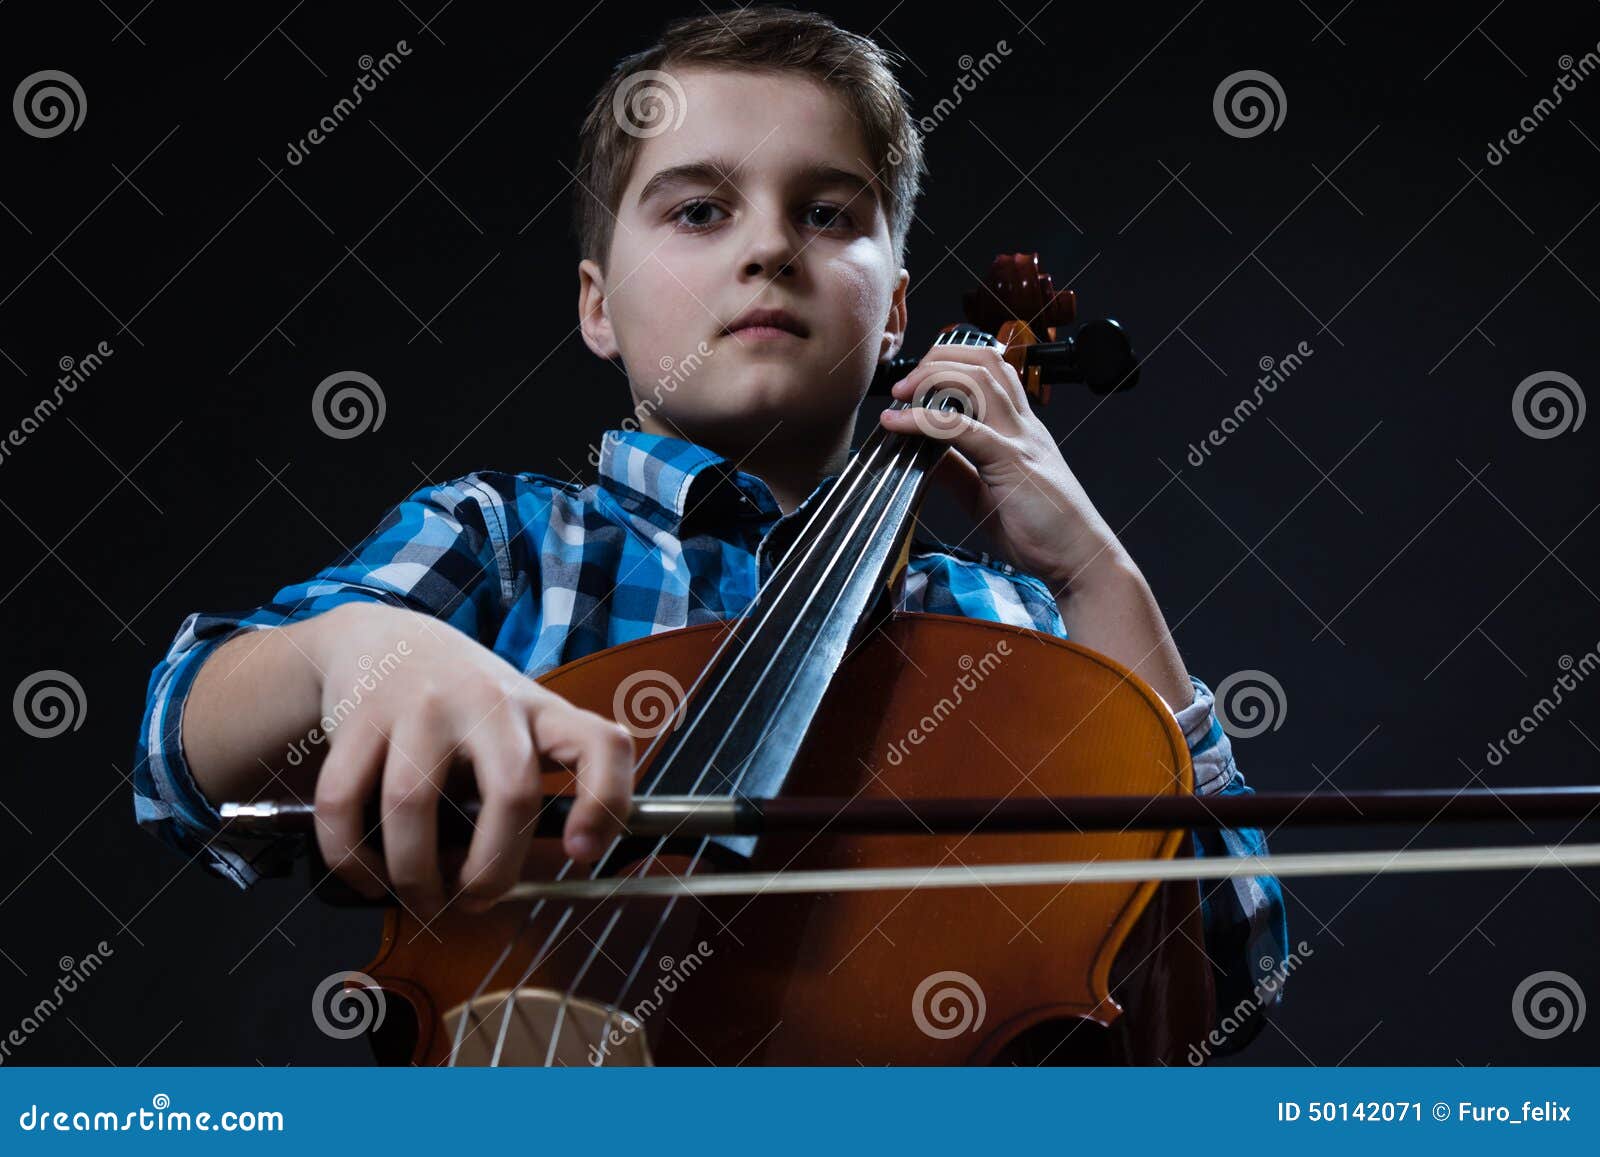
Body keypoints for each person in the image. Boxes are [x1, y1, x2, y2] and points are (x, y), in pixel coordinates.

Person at [132, 6, 1288, 1056]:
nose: (769, 246)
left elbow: (1218, 987)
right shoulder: (507, 545)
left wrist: (1094, 573)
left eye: (827, 213)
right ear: (597, 303)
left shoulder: (1007, 630)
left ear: (892, 311)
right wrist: (355, 648)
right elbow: (182, 757)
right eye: (698, 208)